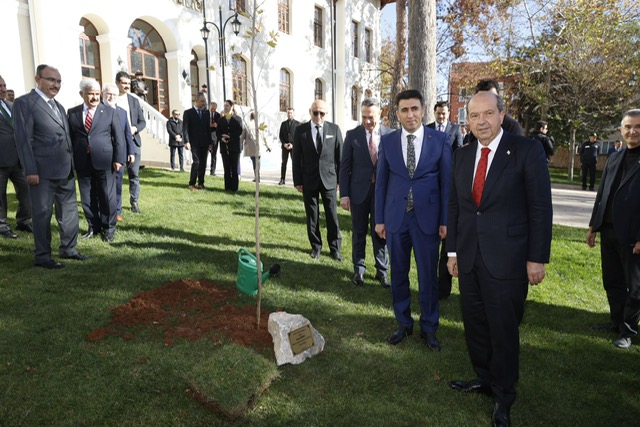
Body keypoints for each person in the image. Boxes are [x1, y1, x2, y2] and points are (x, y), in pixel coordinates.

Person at [446, 92, 552, 427]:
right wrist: (452, 252)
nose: (481, 122)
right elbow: (457, 206)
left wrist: (537, 258)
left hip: (508, 260)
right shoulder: (462, 155)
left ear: (502, 115)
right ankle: (485, 379)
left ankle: (504, 396)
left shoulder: (526, 151)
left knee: (503, 330)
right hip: (469, 257)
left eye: (488, 114)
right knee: (476, 325)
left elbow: (540, 208)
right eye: (474, 116)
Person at [374, 89, 451, 351]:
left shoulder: (439, 140)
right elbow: (381, 183)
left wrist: (445, 220)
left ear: (423, 110)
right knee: (398, 274)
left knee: (428, 277)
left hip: (428, 220)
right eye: (404, 110)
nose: (410, 115)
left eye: (414, 109)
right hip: (396, 219)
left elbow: (446, 185)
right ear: (397, 114)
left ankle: (429, 327)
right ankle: (403, 323)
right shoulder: (388, 141)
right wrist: (380, 219)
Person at [13, 64, 90, 269]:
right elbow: (23, 140)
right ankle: (42, 256)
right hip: (41, 173)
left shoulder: (59, 106)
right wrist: (30, 170)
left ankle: (69, 248)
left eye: (58, 81)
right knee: (42, 214)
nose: (56, 85)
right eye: (51, 80)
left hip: (65, 170)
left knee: (69, 212)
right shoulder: (24, 103)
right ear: (38, 79)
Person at [586, 109, 640, 349]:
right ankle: (617, 322)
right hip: (608, 230)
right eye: (628, 127)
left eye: (638, 127)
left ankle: (628, 331)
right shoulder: (614, 157)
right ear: (621, 130)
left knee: (635, 288)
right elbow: (602, 194)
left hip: (633, 235)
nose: (632, 131)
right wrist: (593, 226)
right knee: (612, 281)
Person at [340, 98, 390, 288]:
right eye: (364, 117)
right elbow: (345, 167)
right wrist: (344, 194)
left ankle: (382, 271)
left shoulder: (390, 135)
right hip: (358, 193)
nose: (367, 121)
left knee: (381, 232)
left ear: (380, 115)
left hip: (382, 195)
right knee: (359, 232)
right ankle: (359, 269)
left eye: (371, 117)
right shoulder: (352, 135)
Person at [68, 79, 125, 243]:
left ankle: (109, 228)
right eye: (90, 94)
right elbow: (70, 138)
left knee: (107, 196)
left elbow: (119, 138)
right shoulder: (72, 113)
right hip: (82, 161)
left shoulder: (109, 112)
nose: (94, 97)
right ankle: (93, 226)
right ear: (82, 94)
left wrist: (119, 159)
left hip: (105, 161)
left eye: (96, 94)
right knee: (87, 197)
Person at [293, 99, 344, 261]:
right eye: (315, 113)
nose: (318, 116)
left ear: (326, 114)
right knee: (312, 216)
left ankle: (335, 249)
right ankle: (316, 247)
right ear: (310, 112)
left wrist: (340, 180)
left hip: (329, 179)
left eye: (322, 113)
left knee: (332, 215)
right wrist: (297, 180)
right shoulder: (300, 131)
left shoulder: (334, 129)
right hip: (309, 180)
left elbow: (340, 157)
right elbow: (296, 158)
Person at [426, 100, 463, 299]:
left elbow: (460, 154)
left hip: (450, 186)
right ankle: (429, 283)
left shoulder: (455, 130)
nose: (441, 116)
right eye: (439, 113)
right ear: (434, 113)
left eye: (444, 113)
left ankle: (443, 289)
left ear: (449, 114)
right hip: (430, 187)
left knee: (447, 243)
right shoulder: (427, 129)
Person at [0, 74, 31, 239]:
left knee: (26, 191)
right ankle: (2, 225)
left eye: (4, 86)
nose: (3, 89)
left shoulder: (12, 106)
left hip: (18, 160)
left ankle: (24, 221)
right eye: (0, 87)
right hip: (1, 160)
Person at [102, 83, 135, 223]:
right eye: (109, 94)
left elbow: (127, 134)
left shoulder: (122, 112)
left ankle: (117, 211)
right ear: (103, 94)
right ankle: (103, 210)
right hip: (102, 155)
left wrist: (131, 151)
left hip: (119, 155)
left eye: (114, 95)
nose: (111, 97)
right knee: (102, 185)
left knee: (117, 184)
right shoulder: (98, 110)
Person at [115, 71, 146, 213]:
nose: (127, 86)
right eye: (124, 83)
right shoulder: (112, 99)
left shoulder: (134, 101)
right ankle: (117, 205)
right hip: (118, 142)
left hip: (134, 142)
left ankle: (134, 202)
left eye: (128, 83)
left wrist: (135, 128)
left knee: (134, 174)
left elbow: (142, 122)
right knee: (117, 175)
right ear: (117, 83)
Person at [183, 92, 211, 190]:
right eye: (202, 101)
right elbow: (185, 128)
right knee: (197, 162)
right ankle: (192, 183)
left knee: (203, 163)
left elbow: (208, 129)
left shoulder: (206, 113)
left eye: (204, 101)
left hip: (204, 142)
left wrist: (210, 143)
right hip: (194, 142)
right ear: (196, 101)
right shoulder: (188, 113)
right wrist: (186, 141)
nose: (204, 103)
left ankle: (201, 183)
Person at [216, 99, 243, 192]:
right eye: (224, 106)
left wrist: (230, 137)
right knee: (226, 168)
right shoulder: (221, 120)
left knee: (234, 168)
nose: (225, 107)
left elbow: (239, 131)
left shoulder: (237, 119)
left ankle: (234, 188)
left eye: (227, 106)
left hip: (234, 147)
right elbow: (218, 132)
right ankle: (227, 187)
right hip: (224, 147)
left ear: (232, 107)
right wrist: (222, 138)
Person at [242, 111, 271, 182]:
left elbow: (243, 136)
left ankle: (256, 176)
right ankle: (257, 175)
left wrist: (241, 143)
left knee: (254, 161)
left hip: (250, 146)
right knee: (257, 161)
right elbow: (264, 137)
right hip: (258, 145)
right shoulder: (260, 125)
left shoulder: (247, 125)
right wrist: (267, 146)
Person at [278, 107, 299, 185]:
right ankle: (282, 179)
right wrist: (284, 144)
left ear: (293, 114)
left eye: (291, 113)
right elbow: (280, 135)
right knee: (284, 163)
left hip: (294, 147)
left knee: (295, 164)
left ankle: (296, 180)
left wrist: (293, 144)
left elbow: (298, 137)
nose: (289, 114)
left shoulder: (298, 124)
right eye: (288, 113)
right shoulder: (283, 124)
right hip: (285, 147)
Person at [208, 102, 221, 176]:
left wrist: (217, 125)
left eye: (214, 109)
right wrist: (208, 125)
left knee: (213, 155)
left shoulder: (218, 115)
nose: (213, 110)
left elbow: (221, 126)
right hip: (206, 136)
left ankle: (212, 171)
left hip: (214, 137)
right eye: (212, 108)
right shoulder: (205, 114)